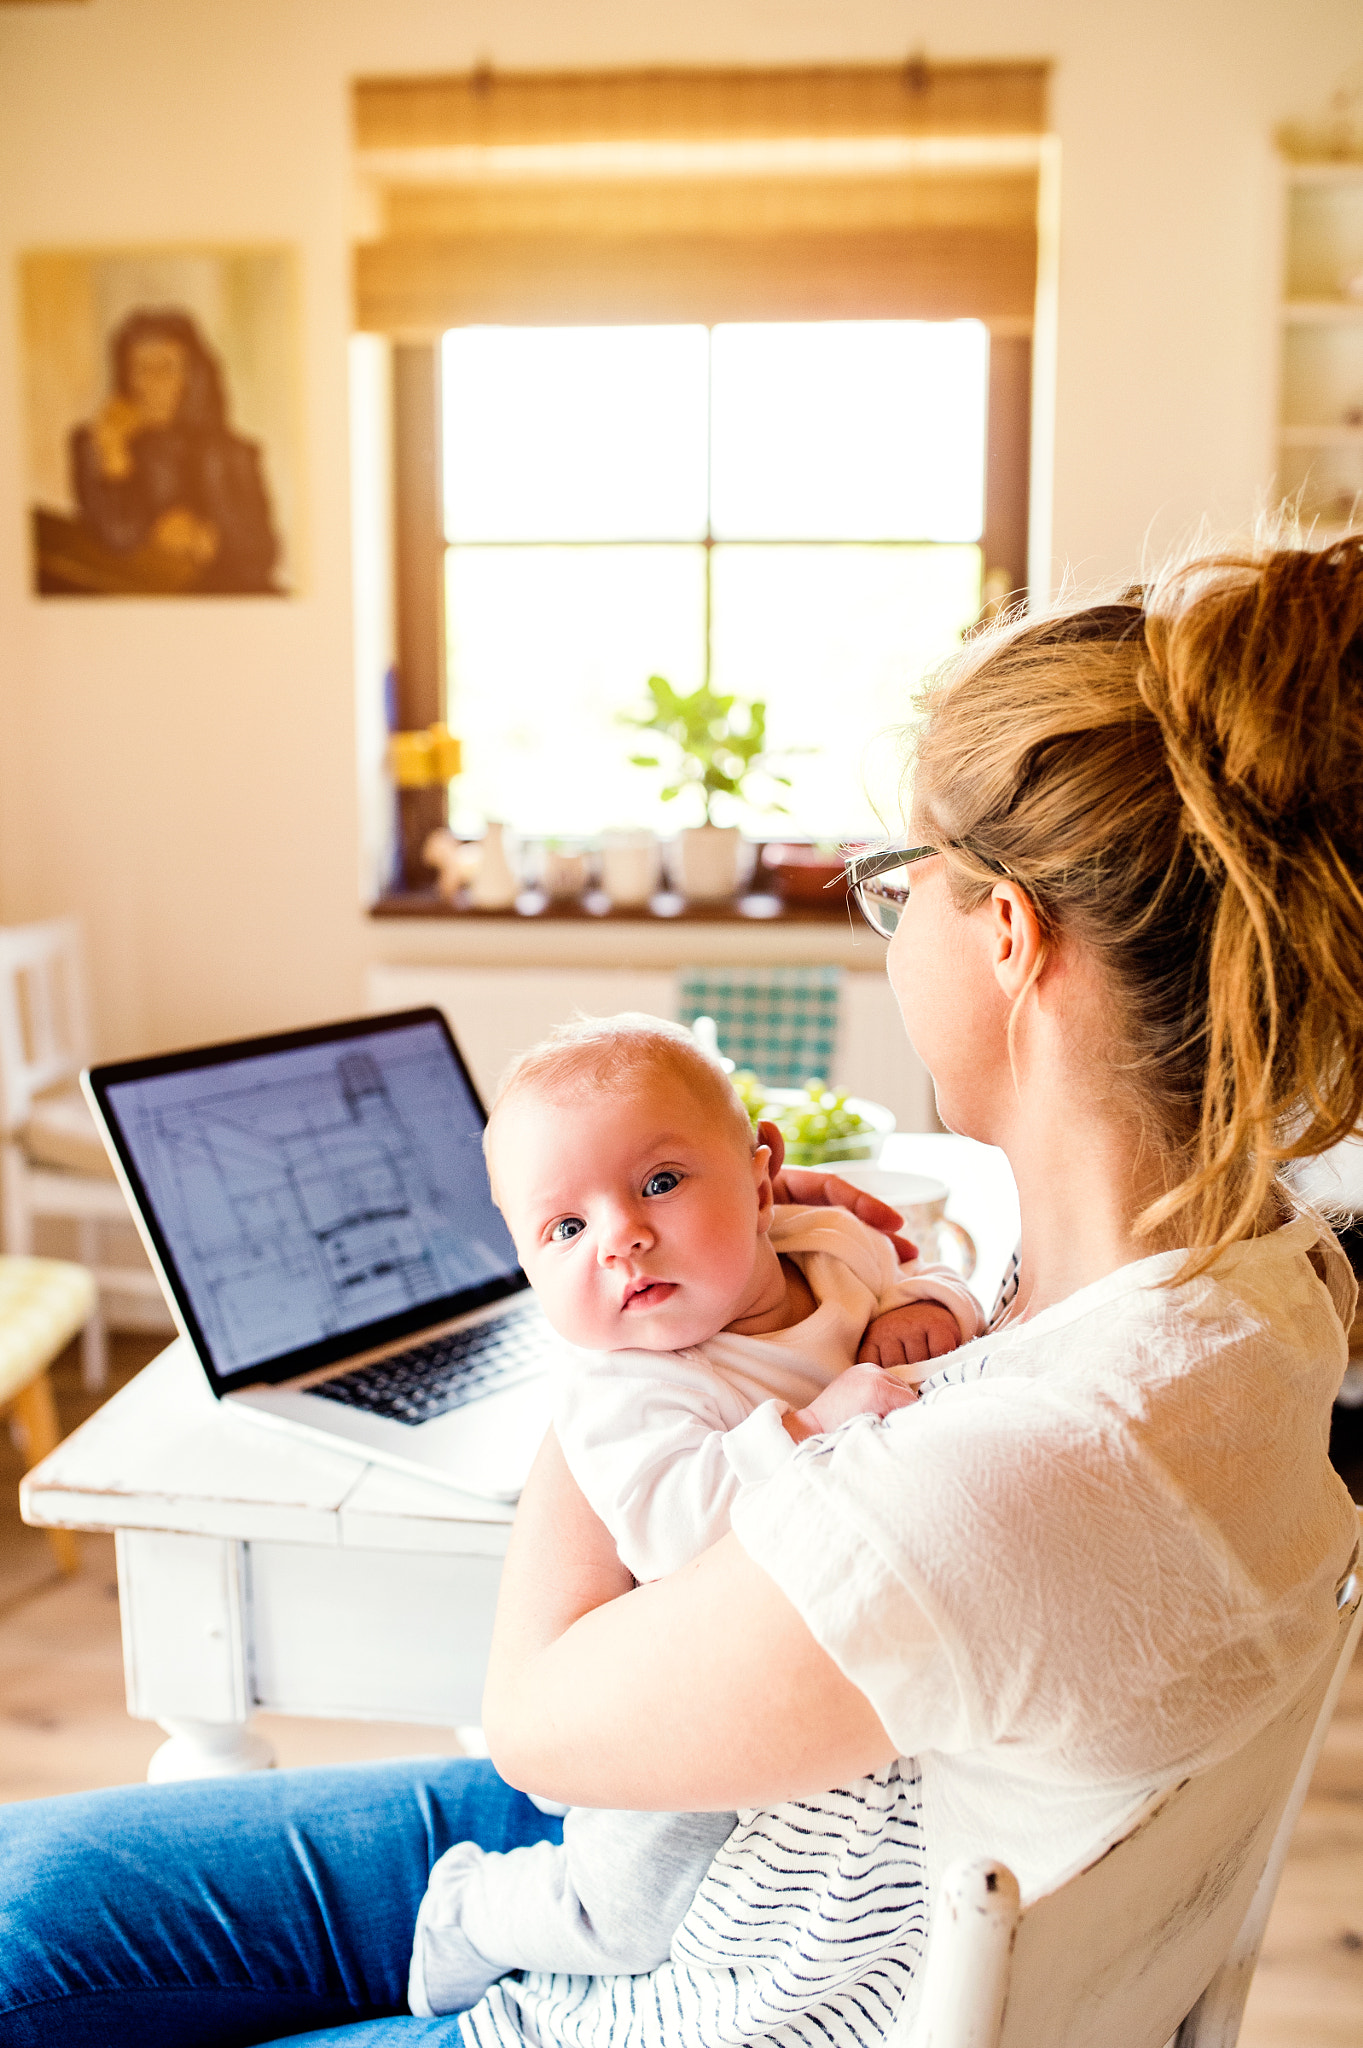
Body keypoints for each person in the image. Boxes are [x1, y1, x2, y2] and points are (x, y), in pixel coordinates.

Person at [2, 536, 1361, 2048]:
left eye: (894, 879)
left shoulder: (1022, 1477)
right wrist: (752, 1259)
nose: (884, 913)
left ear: (1004, 937)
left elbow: (533, 1725)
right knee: (24, 1900)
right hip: (744, 1850)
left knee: (28, 1960)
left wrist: (599, 1334)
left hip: (667, 1970)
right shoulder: (1248, 1284)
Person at [409, 1013, 985, 2015]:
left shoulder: (832, 1243)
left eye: (660, 1182)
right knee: (626, 1913)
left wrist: (921, 1304)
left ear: (764, 1174)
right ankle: (471, 1906)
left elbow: (931, 1271)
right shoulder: (625, 1387)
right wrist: (808, 1422)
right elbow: (676, 1529)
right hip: (654, 1700)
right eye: (565, 1228)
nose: (622, 1237)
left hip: (775, 1687)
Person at [67, 308, 280, 594]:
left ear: (191, 377)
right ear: (126, 376)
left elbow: (262, 556)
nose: (154, 382)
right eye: (142, 368)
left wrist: (205, 540)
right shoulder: (94, 444)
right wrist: (114, 456)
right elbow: (118, 537)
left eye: (167, 367)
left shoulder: (231, 452)